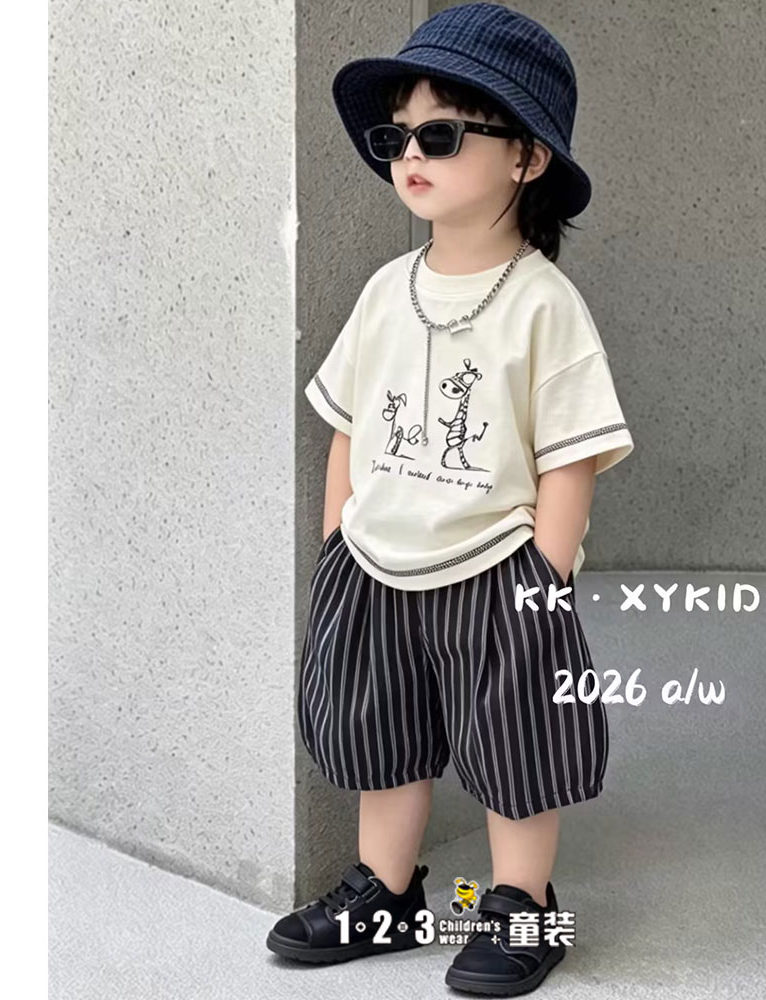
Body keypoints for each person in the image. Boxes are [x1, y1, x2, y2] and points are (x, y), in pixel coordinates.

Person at [267, 3, 634, 994]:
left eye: (442, 135)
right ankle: (385, 891)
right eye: (397, 138)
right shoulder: (387, 288)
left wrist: (545, 575)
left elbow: (570, 455)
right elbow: (347, 422)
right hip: (377, 559)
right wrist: (336, 539)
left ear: (525, 158)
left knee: (516, 741)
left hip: (496, 565)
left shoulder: (543, 304)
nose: (411, 157)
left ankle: (521, 903)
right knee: (380, 732)